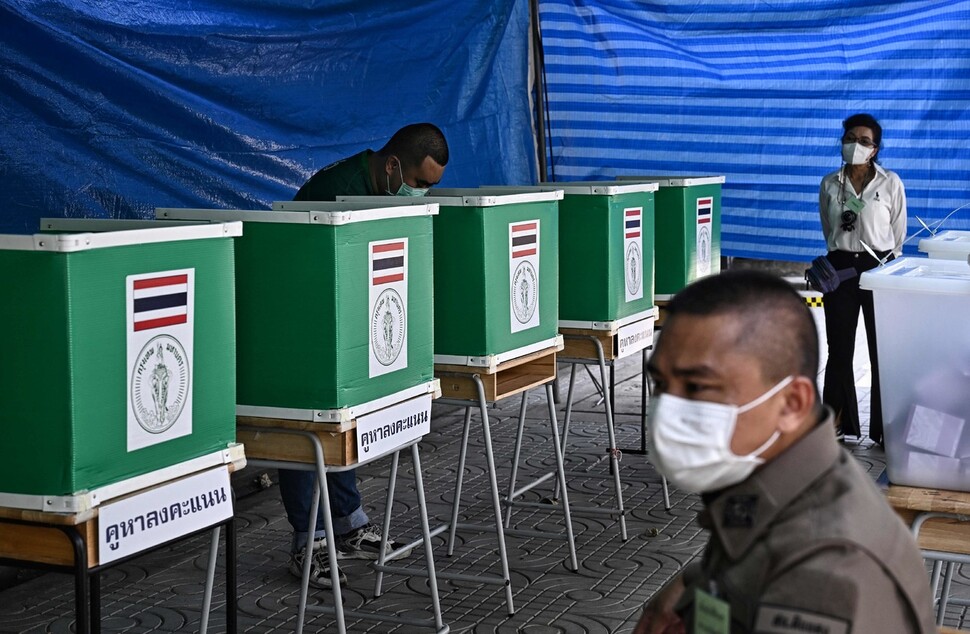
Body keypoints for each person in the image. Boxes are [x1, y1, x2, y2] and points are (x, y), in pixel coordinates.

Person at [635, 270, 935, 634]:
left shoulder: (823, 575)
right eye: (662, 384)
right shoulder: (774, 487)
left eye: (698, 386)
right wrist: (695, 585)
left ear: (792, 404)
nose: (669, 408)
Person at [281, 123, 449, 588]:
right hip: (307, 323)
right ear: (393, 166)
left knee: (346, 423)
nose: (422, 193)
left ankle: (349, 524)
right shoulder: (338, 190)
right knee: (307, 429)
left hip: (349, 322)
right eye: (419, 183)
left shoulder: (381, 188)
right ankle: (307, 541)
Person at [818, 113, 906, 444]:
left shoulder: (890, 182)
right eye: (850, 138)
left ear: (875, 149)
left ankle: (885, 429)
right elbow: (829, 229)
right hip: (839, 269)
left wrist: (880, 263)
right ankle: (837, 422)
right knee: (839, 347)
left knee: (882, 348)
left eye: (864, 141)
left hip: (879, 268)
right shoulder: (829, 183)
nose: (856, 144)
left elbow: (898, 235)